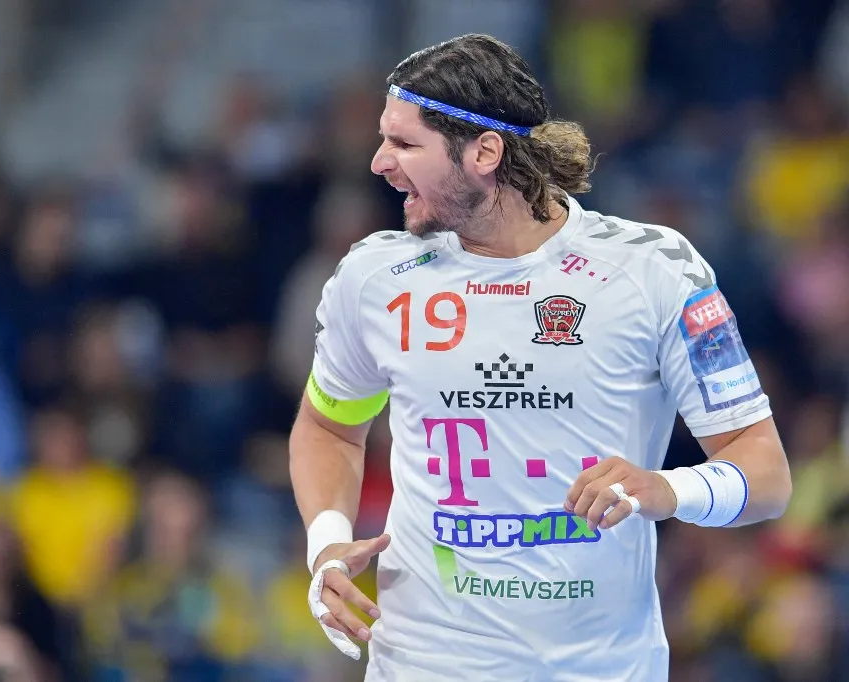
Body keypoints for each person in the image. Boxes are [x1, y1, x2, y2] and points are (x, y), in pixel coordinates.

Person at [288, 34, 792, 682]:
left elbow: (766, 473)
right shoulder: (376, 277)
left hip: (603, 669)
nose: (379, 162)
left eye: (405, 144)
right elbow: (330, 427)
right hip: (424, 665)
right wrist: (326, 543)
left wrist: (667, 488)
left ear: (484, 153)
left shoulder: (655, 271)